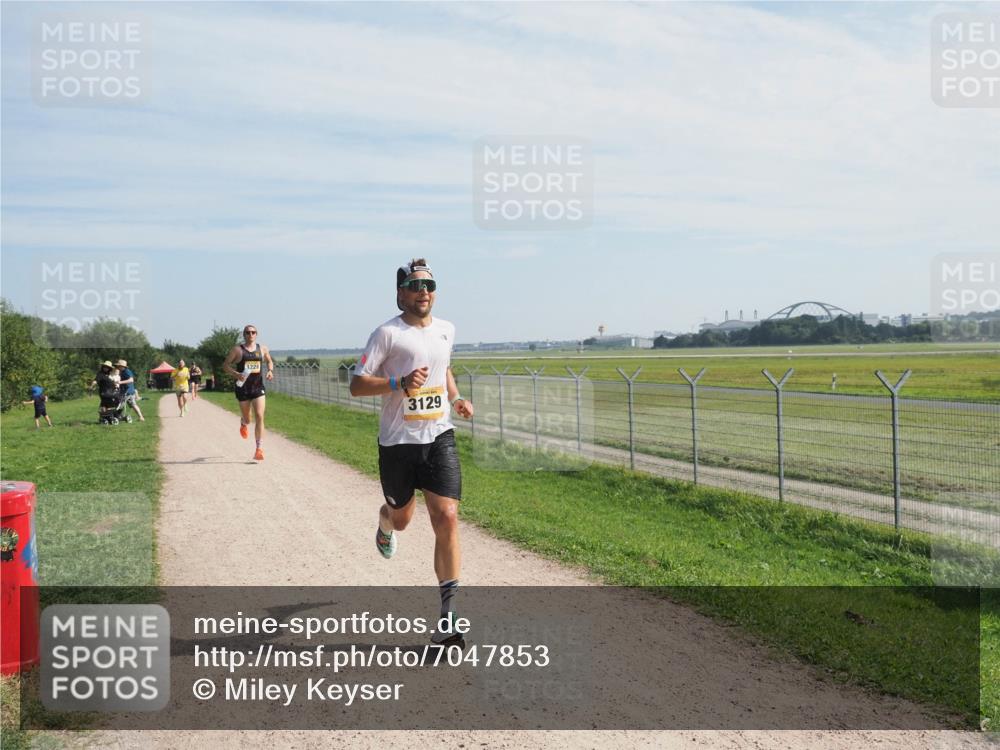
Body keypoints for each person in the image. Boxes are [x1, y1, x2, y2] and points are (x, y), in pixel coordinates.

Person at [350, 259, 474, 645]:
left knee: (448, 517)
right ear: (401, 292)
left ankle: (448, 616)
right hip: (397, 444)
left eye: (430, 284)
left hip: (439, 437)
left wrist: (456, 398)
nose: (424, 290)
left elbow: (444, 369)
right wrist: (397, 382)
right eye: (415, 284)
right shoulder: (386, 334)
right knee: (403, 519)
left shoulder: (447, 330)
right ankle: (386, 521)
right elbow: (356, 385)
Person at [223, 324, 274, 461]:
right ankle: (243, 422)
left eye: (253, 332)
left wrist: (270, 370)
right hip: (243, 389)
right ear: (244, 334)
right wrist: (236, 374)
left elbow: (269, 361)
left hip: (258, 388)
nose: (250, 334)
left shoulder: (262, 349)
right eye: (248, 332)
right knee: (248, 419)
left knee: (259, 415)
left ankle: (259, 449)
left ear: (256, 334)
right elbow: (225, 365)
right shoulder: (237, 350)